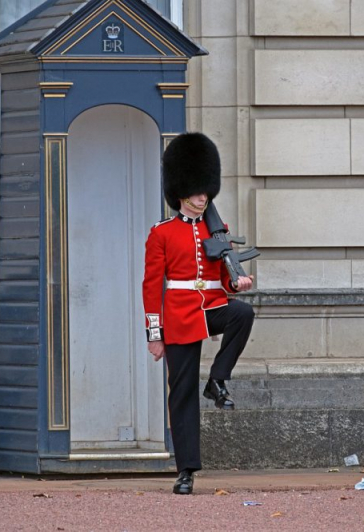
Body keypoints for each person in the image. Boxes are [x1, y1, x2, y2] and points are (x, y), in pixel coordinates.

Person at [142, 132, 255, 495]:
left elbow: (224, 275)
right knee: (182, 393)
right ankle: (186, 470)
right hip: (177, 315)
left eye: (205, 190)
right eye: (195, 190)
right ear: (181, 193)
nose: (202, 196)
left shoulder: (216, 229)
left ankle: (218, 379)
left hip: (212, 307)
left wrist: (238, 282)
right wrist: (154, 334)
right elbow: (151, 286)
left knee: (243, 313)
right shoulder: (162, 232)